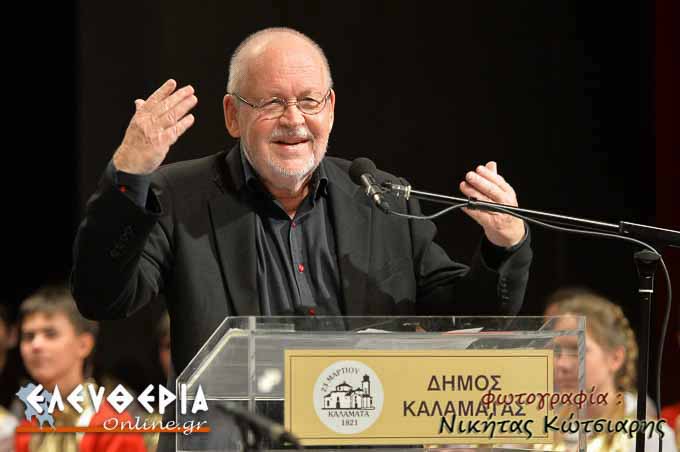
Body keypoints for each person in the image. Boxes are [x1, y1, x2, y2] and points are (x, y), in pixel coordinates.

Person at [71, 27, 532, 450]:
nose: (293, 120)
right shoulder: (179, 196)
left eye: (309, 101)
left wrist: (504, 244)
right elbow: (102, 297)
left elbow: (464, 316)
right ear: (233, 115)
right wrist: (129, 175)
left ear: (330, 108)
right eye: (271, 103)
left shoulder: (380, 198)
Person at [14, 285, 146, 452]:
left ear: (84, 345)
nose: (36, 345)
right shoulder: (27, 428)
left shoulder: (113, 425)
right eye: (28, 336)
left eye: (50, 334)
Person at [545, 288, 676, 451]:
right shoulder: (540, 427)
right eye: (556, 350)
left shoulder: (648, 437)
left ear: (615, 358)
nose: (561, 364)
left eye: (576, 349)